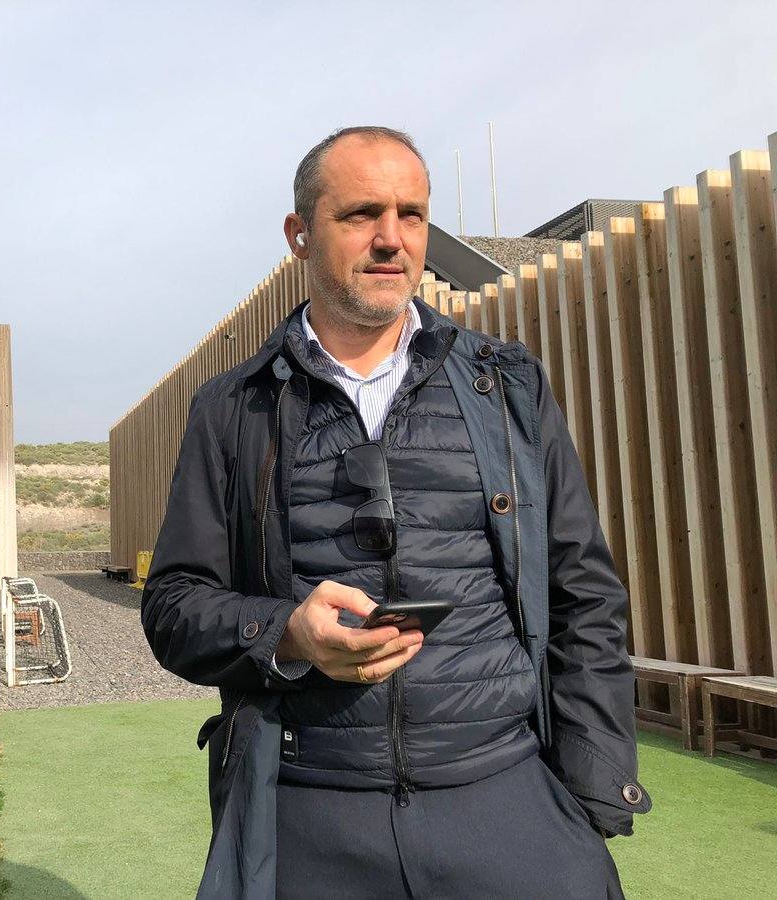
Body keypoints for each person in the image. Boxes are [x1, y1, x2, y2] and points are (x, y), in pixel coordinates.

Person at [141, 126, 650, 899]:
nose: (391, 238)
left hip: (505, 795)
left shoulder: (506, 387)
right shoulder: (232, 409)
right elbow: (175, 606)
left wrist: (588, 798)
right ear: (300, 234)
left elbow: (585, 595)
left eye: (411, 214)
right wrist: (286, 633)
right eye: (361, 214)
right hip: (309, 808)